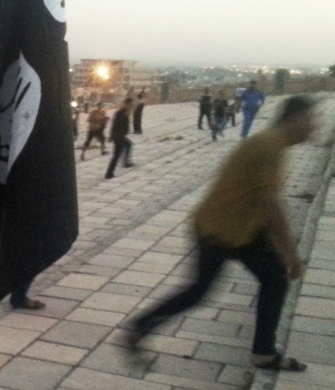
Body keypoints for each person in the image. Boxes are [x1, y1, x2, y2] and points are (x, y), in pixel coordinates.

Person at [126, 95, 315, 372]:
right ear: (294, 119)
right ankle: (140, 326)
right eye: (311, 120)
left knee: (272, 279)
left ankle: (264, 352)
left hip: (239, 229)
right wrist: (292, 254)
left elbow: (262, 201)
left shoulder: (273, 144)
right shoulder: (270, 146)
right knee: (201, 291)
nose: (314, 127)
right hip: (219, 230)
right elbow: (271, 204)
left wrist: (276, 245)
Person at [105, 98, 135, 179]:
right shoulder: (121, 112)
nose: (131, 106)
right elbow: (115, 124)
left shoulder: (123, 112)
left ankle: (126, 162)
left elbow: (114, 124)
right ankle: (109, 173)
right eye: (130, 105)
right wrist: (111, 136)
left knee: (128, 144)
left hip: (120, 136)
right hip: (119, 136)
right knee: (116, 155)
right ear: (126, 104)